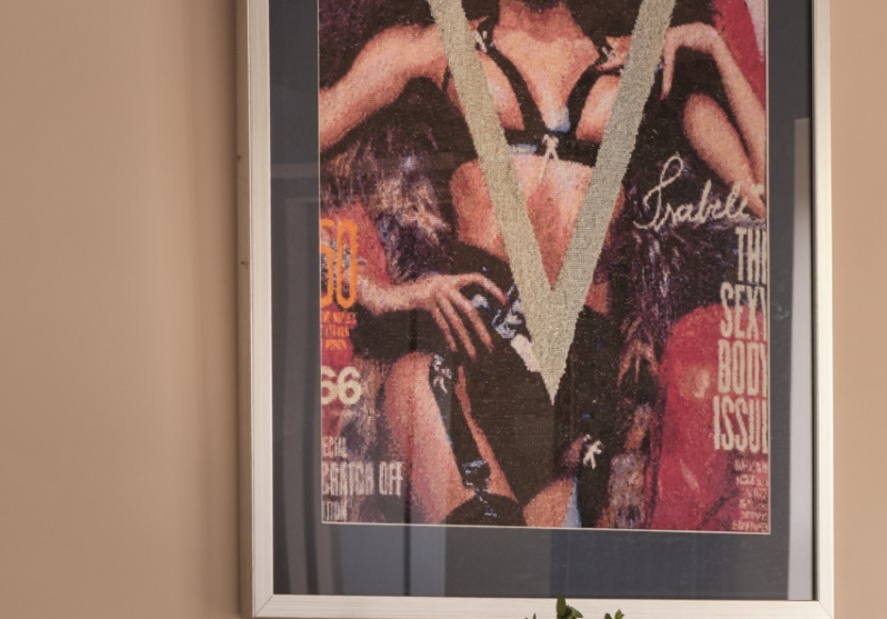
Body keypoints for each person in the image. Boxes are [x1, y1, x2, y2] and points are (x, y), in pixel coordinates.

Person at [318, 0, 769, 525]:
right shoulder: (432, 46)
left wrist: (713, 48)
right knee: (481, 551)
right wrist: (372, 290)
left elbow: (771, 196)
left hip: (581, 373)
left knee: (547, 572)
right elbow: (275, 154)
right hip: (472, 345)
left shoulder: (647, 62)